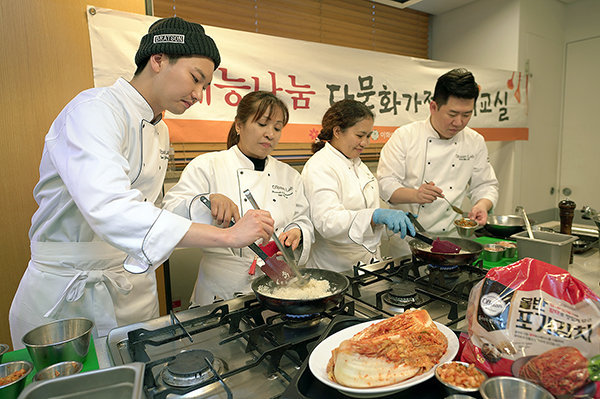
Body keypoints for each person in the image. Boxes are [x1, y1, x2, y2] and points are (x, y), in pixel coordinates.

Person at [9, 17, 275, 349]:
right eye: (196, 79)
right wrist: (227, 236)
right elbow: (112, 208)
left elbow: (151, 209)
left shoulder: (159, 129)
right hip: (67, 294)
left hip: (130, 286)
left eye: (205, 86)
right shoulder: (93, 110)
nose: (198, 94)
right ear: (158, 59)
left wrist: (205, 207)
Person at [162, 91, 314, 306]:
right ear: (239, 125)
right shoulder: (209, 165)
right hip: (222, 287)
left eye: (277, 128)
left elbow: (303, 218)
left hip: (277, 283)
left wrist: (298, 231)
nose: (271, 134)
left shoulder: (289, 175)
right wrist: (208, 200)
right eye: (262, 124)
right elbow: (169, 213)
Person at [377, 68, 499, 257]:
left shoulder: (474, 141)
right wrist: (415, 194)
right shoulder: (405, 136)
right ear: (433, 107)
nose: (459, 122)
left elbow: (485, 184)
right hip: (408, 241)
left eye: (467, 114)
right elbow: (385, 185)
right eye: (452, 114)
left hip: (452, 240)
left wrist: (482, 205)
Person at [300, 99, 415, 273]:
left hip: (367, 263)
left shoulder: (359, 165)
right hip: (335, 268)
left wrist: (385, 221)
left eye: (368, 136)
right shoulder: (319, 166)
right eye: (360, 136)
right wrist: (375, 216)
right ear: (337, 131)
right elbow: (327, 222)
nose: (365, 142)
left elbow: (365, 211)